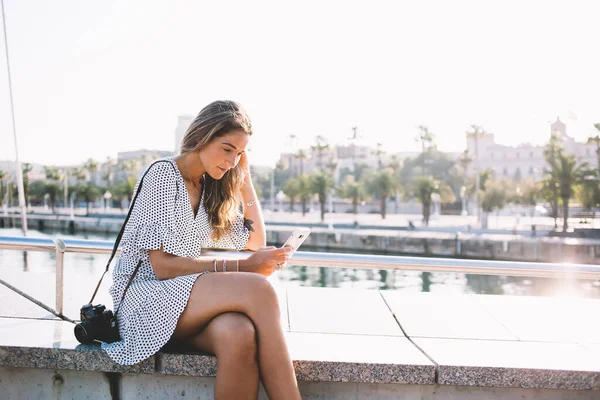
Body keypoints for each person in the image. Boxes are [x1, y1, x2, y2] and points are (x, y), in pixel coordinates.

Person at [102, 100, 302, 400]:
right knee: (259, 290)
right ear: (203, 136)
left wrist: (245, 183)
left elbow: (255, 241)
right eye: (226, 149)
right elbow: (163, 268)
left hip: (182, 303)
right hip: (144, 301)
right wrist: (245, 268)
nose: (232, 161)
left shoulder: (210, 187)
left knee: (239, 334)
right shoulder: (162, 175)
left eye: (239, 154)